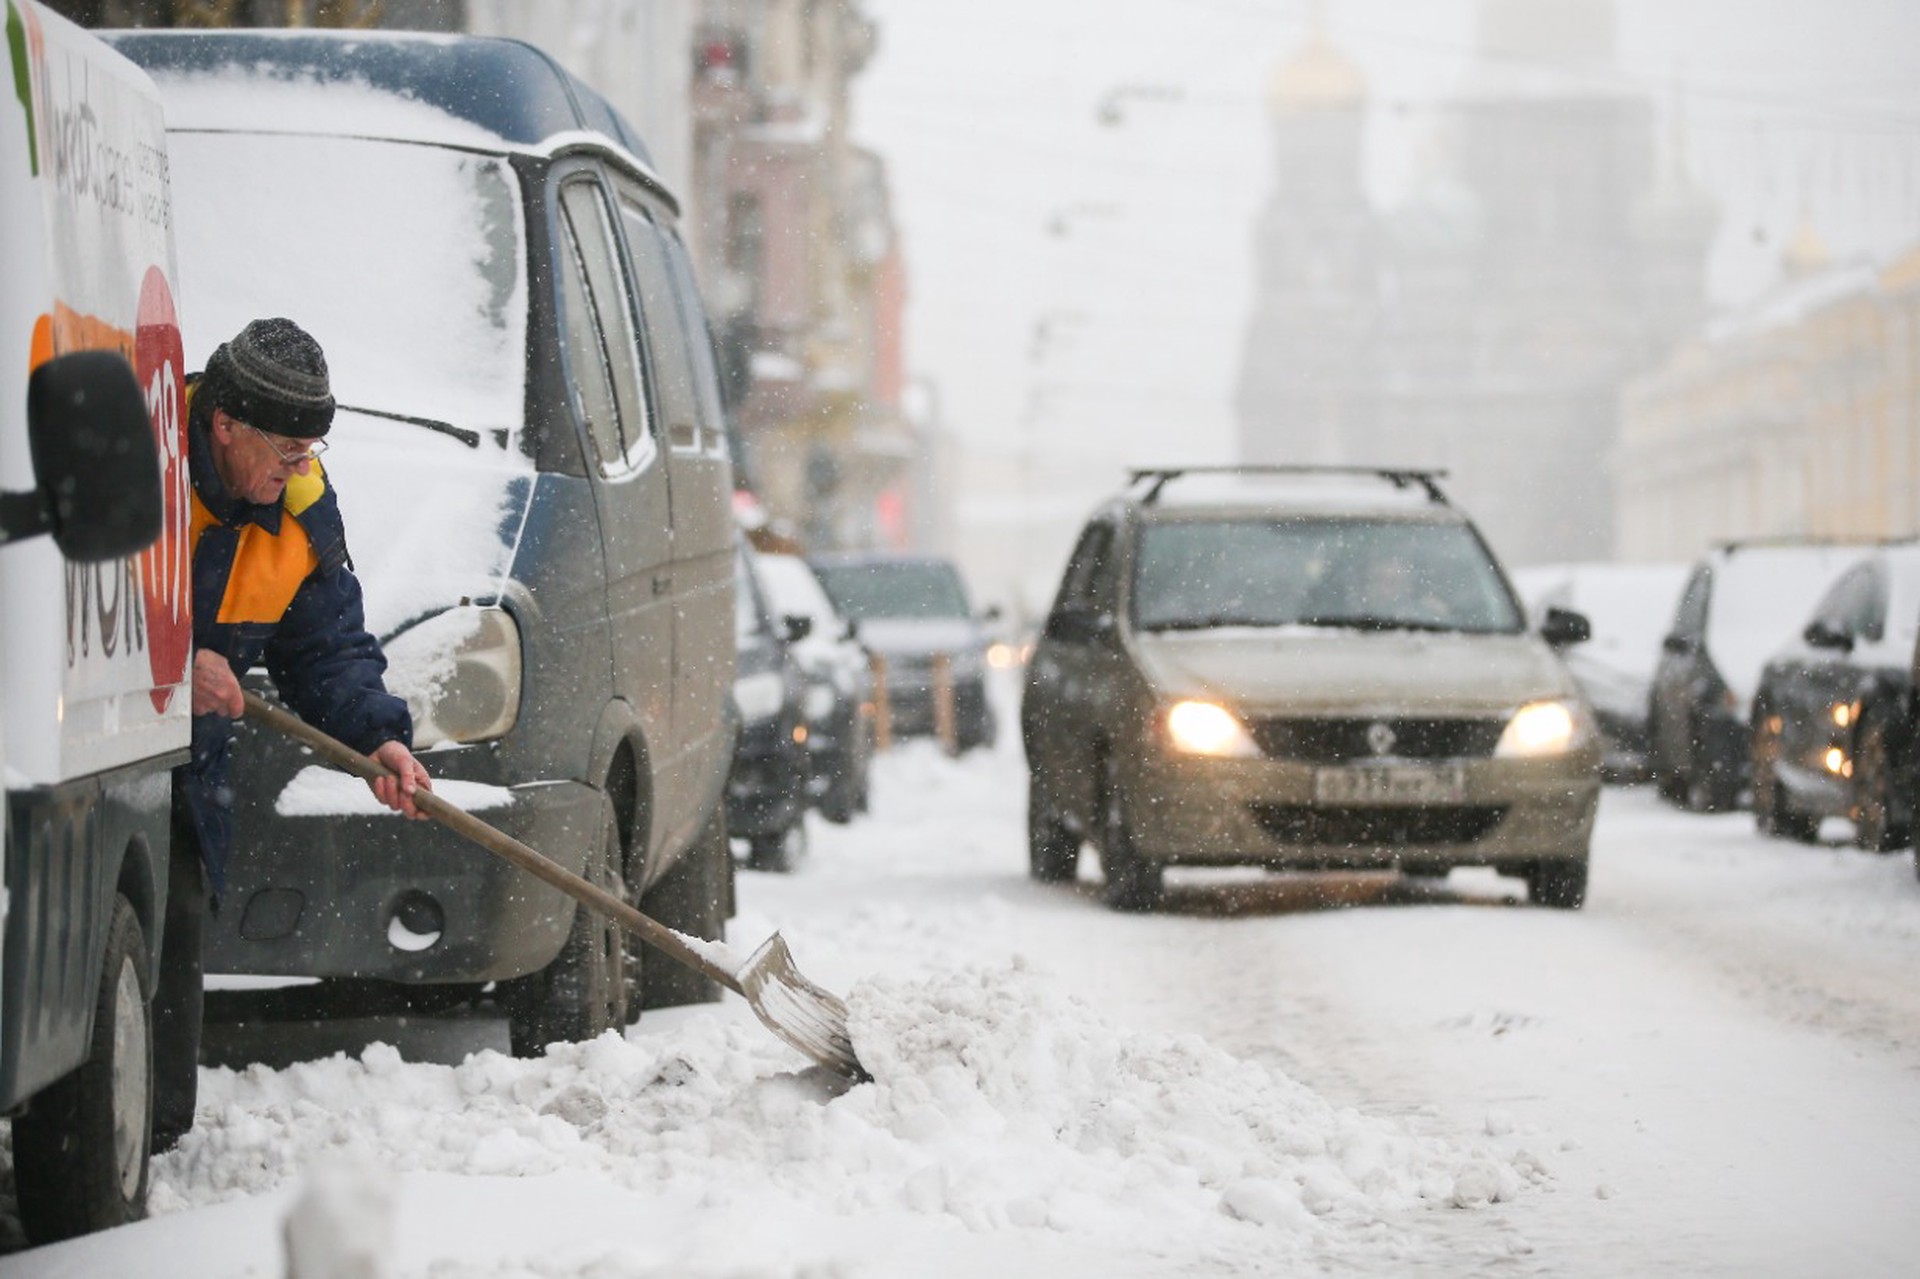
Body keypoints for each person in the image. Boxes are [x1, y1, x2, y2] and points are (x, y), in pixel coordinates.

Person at [152, 317, 433, 1151]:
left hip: (189, 776)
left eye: (312, 450)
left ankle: (149, 1143)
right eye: (288, 449)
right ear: (223, 423)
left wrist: (376, 737)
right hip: (93, 763)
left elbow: (326, 645)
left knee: (172, 939)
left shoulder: (302, 503)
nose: (301, 468)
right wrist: (166, 662)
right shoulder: (143, 460)